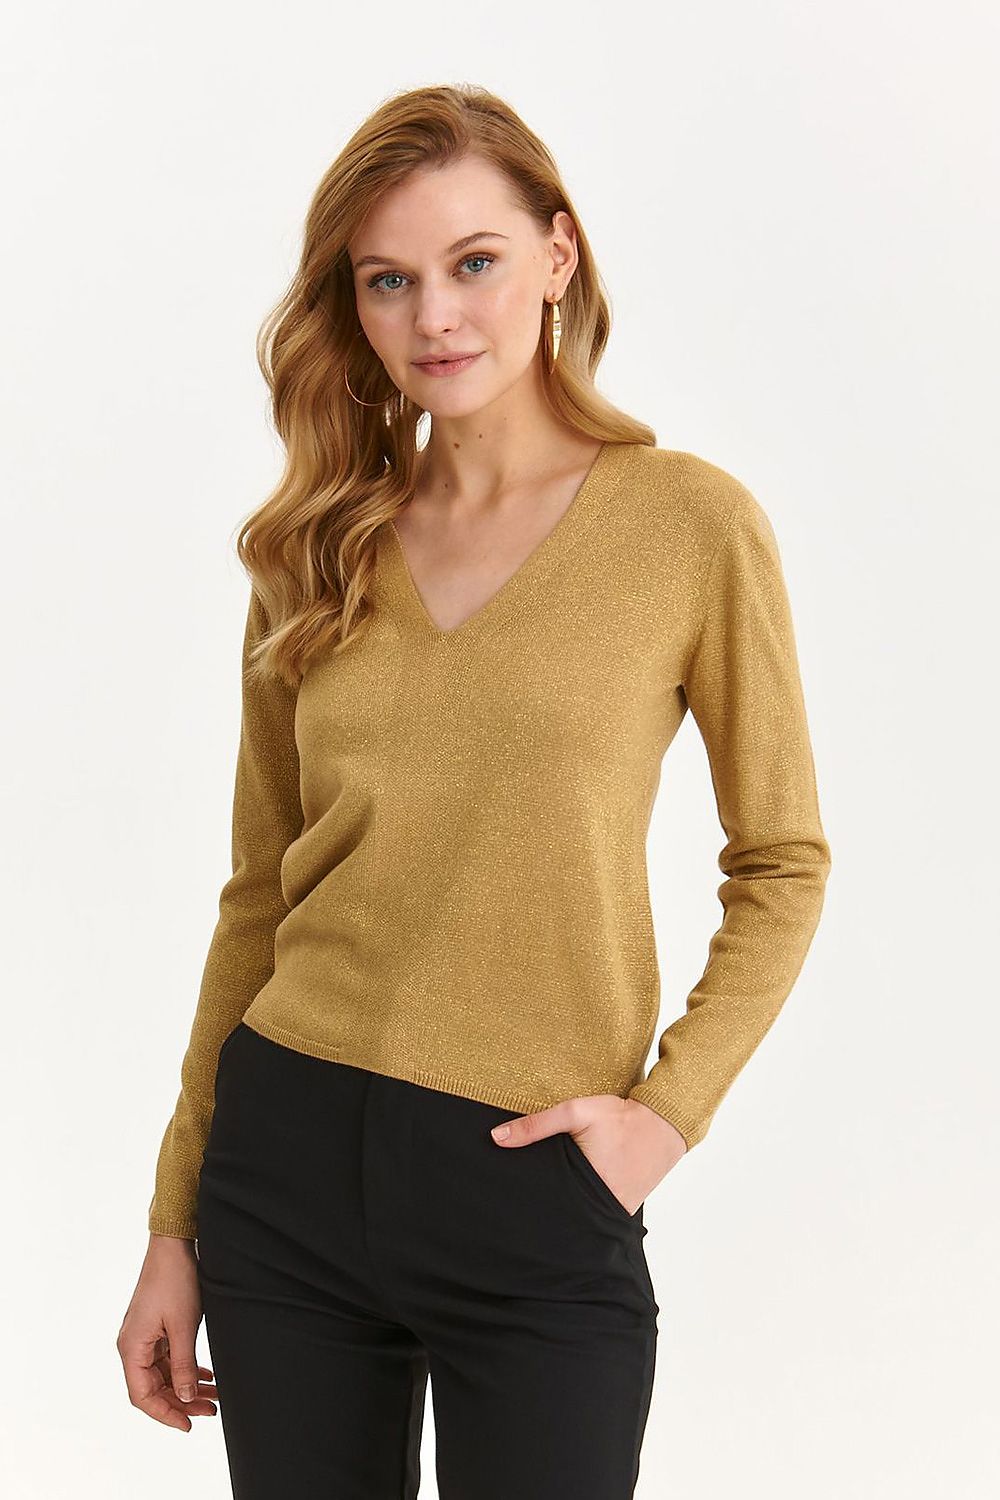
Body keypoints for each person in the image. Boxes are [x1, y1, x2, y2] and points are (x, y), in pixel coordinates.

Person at [117, 83, 832, 1499]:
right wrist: (174, 1220)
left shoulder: (688, 526)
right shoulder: (317, 546)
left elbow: (783, 861)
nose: (434, 316)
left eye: (474, 262)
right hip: (284, 1171)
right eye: (388, 280)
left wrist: (662, 1120)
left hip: (533, 1185)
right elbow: (259, 894)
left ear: (558, 257)